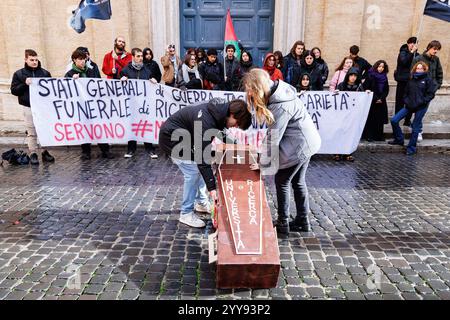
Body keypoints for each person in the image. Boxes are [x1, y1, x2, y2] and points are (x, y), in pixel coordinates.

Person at [243, 69, 321, 234]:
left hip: (300, 145)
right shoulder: (281, 90)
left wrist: (262, 164)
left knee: (282, 181)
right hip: (307, 142)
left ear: (258, 87)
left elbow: (273, 138)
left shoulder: (280, 104)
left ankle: (283, 223)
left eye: (251, 90)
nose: (249, 93)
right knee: (298, 182)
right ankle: (302, 220)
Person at [158, 99, 252, 228]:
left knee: (199, 170)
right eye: (237, 123)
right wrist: (212, 189)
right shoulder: (206, 122)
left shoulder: (219, 112)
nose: (235, 127)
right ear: (232, 114)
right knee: (193, 172)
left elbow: (218, 130)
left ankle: (201, 203)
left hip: (184, 137)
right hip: (171, 139)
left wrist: (235, 144)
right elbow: (202, 159)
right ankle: (186, 213)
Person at [65, 49, 114, 160]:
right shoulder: (69, 74)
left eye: (84, 59)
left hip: (94, 105)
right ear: (74, 60)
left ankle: (105, 149)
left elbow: (98, 84)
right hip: (80, 106)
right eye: (80, 59)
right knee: (84, 128)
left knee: (98, 126)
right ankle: (86, 151)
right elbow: (66, 90)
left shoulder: (91, 71)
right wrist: (72, 81)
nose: (82, 61)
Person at [10, 49, 55, 165]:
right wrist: (24, 84)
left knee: (44, 130)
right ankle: (33, 153)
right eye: (31, 60)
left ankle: (45, 152)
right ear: (26, 60)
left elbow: (52, 89)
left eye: (36, 59)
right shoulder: (19, 74)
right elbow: (14, 90)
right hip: (28, 106)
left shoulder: (45, 73)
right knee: (31, 131)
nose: (34, 62)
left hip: (42, 107)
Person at [388, 62, 436, 156]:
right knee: (394, 120)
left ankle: (411, 148)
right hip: (409, 105)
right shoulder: (411, 79)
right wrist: (406, 101)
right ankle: (399, 139)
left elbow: (431, 94)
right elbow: (405, 93)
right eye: (417, 68)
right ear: (415, 69)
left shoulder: (428, 80)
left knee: (415, 127)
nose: (419, 70)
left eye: (421, 68)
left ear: (424, 69)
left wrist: (423, 101)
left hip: (421, 106)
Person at [120, 48, 159, 159]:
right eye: (138, 56)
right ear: (132, 57)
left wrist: (153, 81)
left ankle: (150, 149)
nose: (140, 58)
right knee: (132, 125)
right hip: (131, 104)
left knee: (146, 124)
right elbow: (119, 85)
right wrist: (121, 78)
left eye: (141, 56)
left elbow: (152, 82)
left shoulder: (147, 70)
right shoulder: (126, 70)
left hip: (144, 104)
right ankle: (131, 149)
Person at [412, 40, 444, 142]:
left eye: (437, 50)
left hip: (430, 91)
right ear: (429, 47)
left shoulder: (436, 59)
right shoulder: (418, 58)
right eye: (434, 49)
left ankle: (416, 127)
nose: (436, 51)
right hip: (418, 90)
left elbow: (440, 73)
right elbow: (411, 73)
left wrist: (437, 86)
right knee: (419, 111)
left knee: (422, 112)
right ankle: (418, 130)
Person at [335, 67, 364, 162]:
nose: (353, 77)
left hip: (353, 115)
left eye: (355, 76)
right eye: (351, 75)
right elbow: (335, 99)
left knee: (350, 133)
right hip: (342, 114)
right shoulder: (341, 85)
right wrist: (336, 93)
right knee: (340, 132)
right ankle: (337, 152)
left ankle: (348, 153)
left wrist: (366, 94)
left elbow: (362, 99)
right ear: (348, 76)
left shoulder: (359, 86)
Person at [363, 60, 390, 142]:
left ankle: (379, 136)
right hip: (372, 101)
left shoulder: (384, 77)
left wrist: (381, 98)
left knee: (380, 119)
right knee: (371, 119)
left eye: (383, 67)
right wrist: (375, 98)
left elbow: (386, 89)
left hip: (381, 101)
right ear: (376, 66)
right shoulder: (370, 75)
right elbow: (366, 87)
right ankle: (369, 136)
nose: (381, 68)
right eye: (379, 66)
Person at [394, 37, 418, 126]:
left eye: (414, 43)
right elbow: (404, 62)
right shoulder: (402, 53)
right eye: (411, 43)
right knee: (400, 101)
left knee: (410, 101)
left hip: (412, 81)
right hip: (402, 81)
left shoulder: (417, 55)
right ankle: (396, 119)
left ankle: (407, 120)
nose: (412, 45)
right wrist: (411, 52)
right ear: (408, 44)